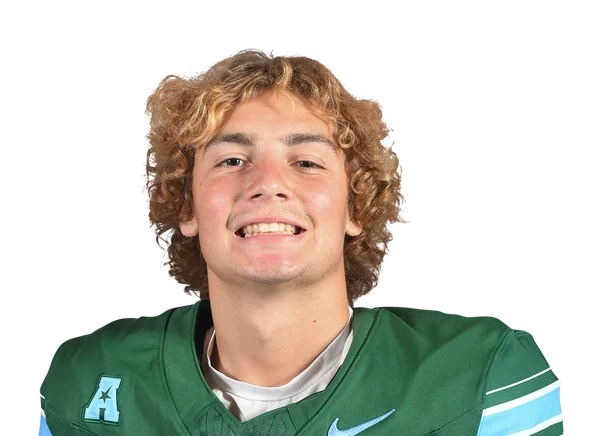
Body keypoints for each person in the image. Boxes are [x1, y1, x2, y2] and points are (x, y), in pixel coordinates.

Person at [39, 49, 563, 435]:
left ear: (357, 206)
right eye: (232, 160)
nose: (268, 183)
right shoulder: (85, 383)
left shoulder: (482, 379)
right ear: (186, 206)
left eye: (306, 162)